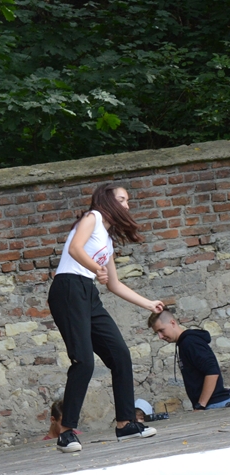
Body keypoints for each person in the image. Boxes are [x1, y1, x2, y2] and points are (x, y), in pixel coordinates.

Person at [47, 184, 163, 453]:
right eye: (122, 199)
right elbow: (75, 249)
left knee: (120, 354)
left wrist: (148, 304)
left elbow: (114, 284)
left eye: (128, 200)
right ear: (107, 200)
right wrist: (96, 268)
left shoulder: (107, 241)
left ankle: (126, 424)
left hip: (88, 292)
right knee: (84, 361)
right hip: (68, 288)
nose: (127, 205)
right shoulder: (93, 217)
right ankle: (66, 433)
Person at [148, 310, 230, 410]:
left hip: (215, 404)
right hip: (213, 404)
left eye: (161, 330)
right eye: (157, 333)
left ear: (172, 323)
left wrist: (201, 405)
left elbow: (212, 372)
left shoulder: (190, 342)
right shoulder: (184, 343)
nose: (160, 336)